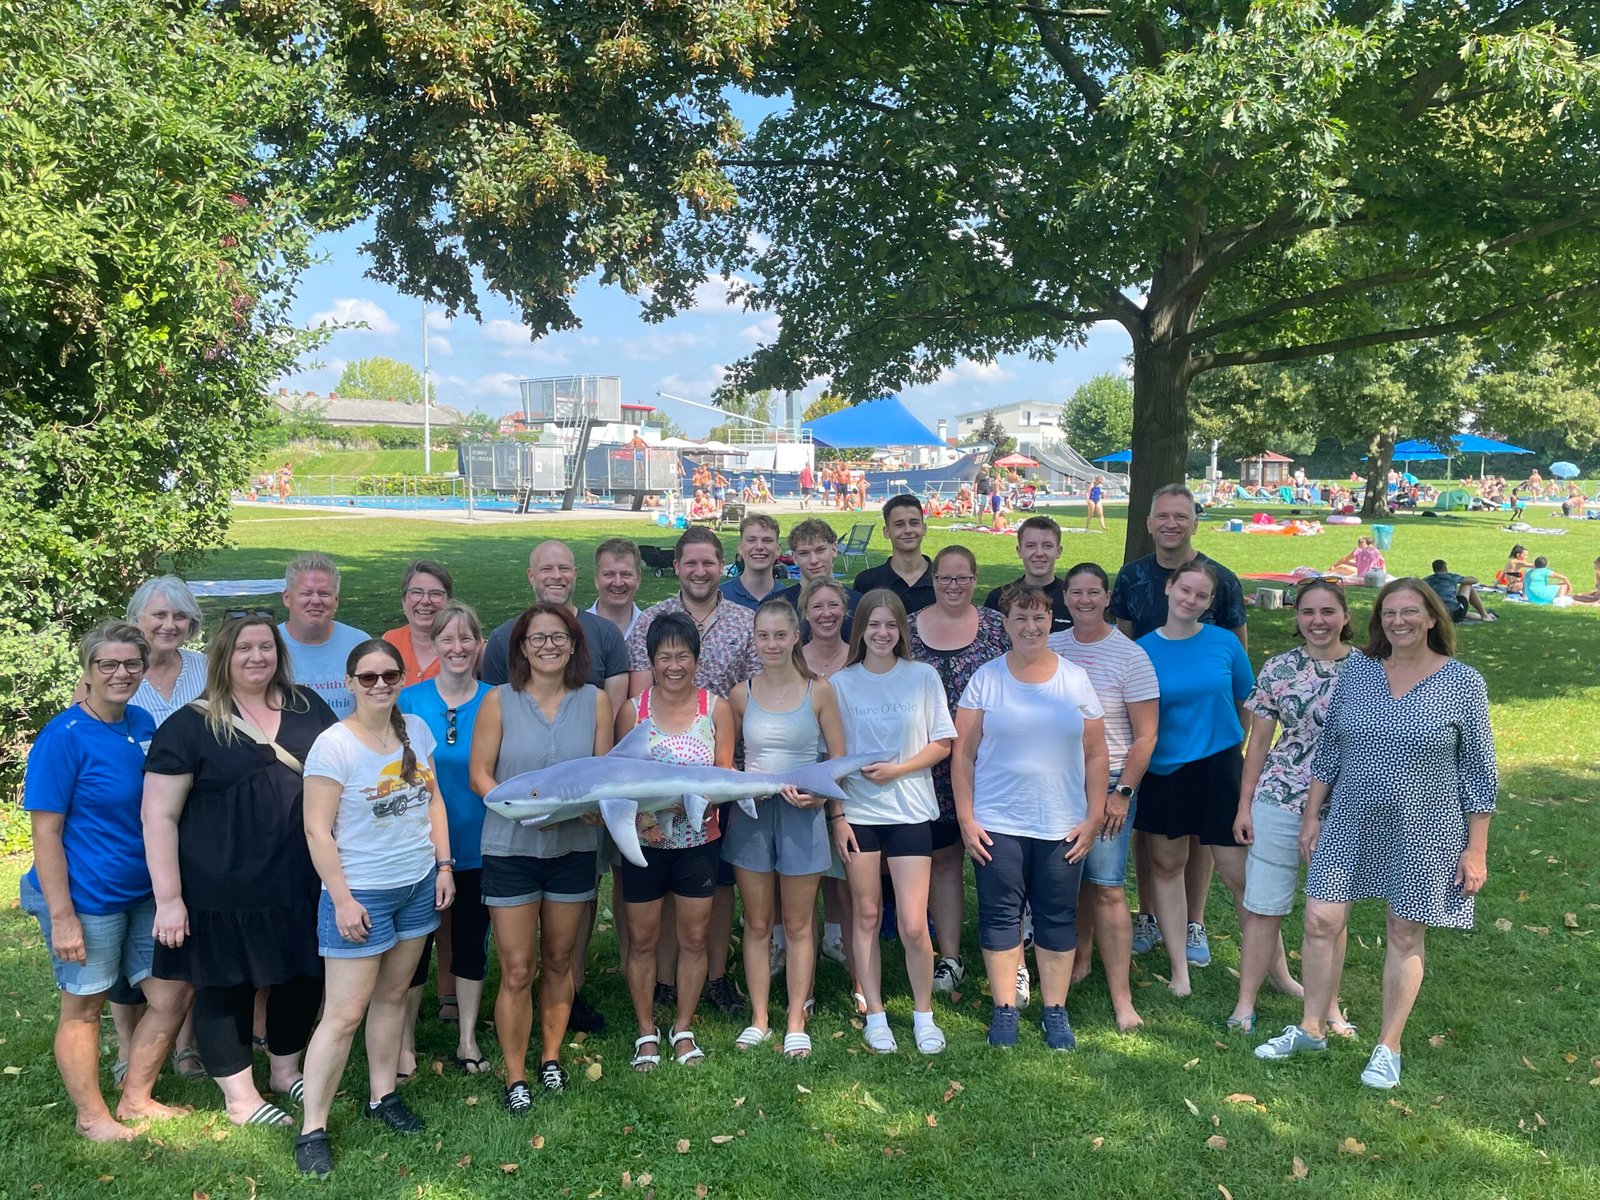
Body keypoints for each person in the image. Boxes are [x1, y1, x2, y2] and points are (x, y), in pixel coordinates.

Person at [1256, 580, 1497, 1090]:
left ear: (1431, 618)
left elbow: (1479, 773)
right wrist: (1312, 816)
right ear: (1378, 621)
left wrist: (1475, 850)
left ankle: (1389, 1046)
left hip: (1426, 825)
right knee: (1320, 918)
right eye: (1389, 613)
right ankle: (1311, 1027)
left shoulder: (1463, 683)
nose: (1398, 621)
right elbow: (1330, 749)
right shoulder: (1360, 672)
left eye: (1409, 612)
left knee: (1404, 931)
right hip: (1349, 816)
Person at [144, 613, 338, 1129]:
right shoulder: (189, 725)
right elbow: (158, 816)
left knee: (302, 974)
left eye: (266, 647)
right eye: (244, 648)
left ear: (279, 653)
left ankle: (285, 1071)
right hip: (219, 886)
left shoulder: (306, 706)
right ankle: (240, 1098)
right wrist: (169, 899)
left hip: (299, 877)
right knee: (224, 985)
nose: (257, 657)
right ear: (223, 657)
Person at [21, 622, 192, 1142]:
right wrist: (63, 917)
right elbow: (46, 833)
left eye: (131, 664)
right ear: (88, 670)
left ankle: (136, 1098)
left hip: (143, 890)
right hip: (87, 898)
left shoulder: (141, 721)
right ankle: (92, 1117)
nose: (121, 673)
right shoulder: (63, 737)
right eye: (108, 664)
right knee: (84, 1007)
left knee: (173, 992)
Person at [293, 640, 454, 1177]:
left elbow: (433, 800)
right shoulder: (334, 745)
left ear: (401, 679)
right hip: (362, 892)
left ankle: (382, 1096)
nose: (380, 685)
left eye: (389, 675)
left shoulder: (417, 731)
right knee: (342, 1015)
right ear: (350, 682)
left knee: (393, 997)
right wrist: (341, 899)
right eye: (368, 677)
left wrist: (444, 866)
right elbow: (316, 830)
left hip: (417, 884)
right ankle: (312, 1129)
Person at [469, 603, 611, 1111]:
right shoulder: (498, 701)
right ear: (521, 648)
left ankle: (550, 1058)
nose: (548, 646)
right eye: (537, 638)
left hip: (573, 849)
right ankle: (515, 1076)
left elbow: (602, 774)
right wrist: (525, 815)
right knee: (516, 967)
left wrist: (594, 808)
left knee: (559, 960)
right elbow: (480, 775)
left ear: (573, 646)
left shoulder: (595, 701)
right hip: (511, 848)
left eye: (558, 637)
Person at [954, 585, 1108, 1049]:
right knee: (1000, 914)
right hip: (997, 822)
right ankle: (1004, 1008)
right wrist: (966, 819)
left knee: (1057, 914)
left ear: (1050, 620)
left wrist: (1094, 817)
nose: (1030, 626)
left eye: (1039, 617)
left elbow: (1096, 753)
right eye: (1020, 617)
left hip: (1062, 822)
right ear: (1005, 624)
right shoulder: (987, 678)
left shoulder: (1075, 679)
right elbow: (963, 754)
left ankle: (1054, 1010)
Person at [1111, 484, 1248, 970]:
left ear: (1194, 522)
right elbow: (1122, 647)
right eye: (1163, 516)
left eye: (1181, 516)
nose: (1171, 524)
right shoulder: (1131, 577)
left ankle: (1195, 920)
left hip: (1209, 739)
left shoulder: (1221, 579)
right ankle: (1149, 916)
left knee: (1203, 836)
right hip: (1156, 737)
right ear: (1149, 523)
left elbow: (1236, 661)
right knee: (1156, 836)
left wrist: (1235, 740)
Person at [626, 527, 759, 1017]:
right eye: (691, 562)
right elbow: (639, 705)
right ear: (677, 566)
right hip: (654, 792)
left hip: (718, 772)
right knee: (658, 903)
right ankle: (663, 981)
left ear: (722, 565)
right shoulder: (652, 620)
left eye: (709, 562)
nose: (700, 571)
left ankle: (715, 977)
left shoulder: (745, 621)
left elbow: (755, 692)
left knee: (714, 892)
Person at [829, 590, 956, 1055]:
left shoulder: (922, 677)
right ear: (859, 629)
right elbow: (832, 757)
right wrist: (837, 815)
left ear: (902, 629)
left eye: (890, 625)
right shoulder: (840, 684)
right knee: (865, 914)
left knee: (913, 922)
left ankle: (924, 1015)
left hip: (909, 812)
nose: (882, 633)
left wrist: (899, 769)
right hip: (859, 814)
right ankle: (876, 1015)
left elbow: (942, 742)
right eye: (873, 624)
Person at [1227, 582, 1355, 1036]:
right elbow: (1259, 742)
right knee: (1264, 906)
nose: (1317, 621)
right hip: (1279, 796)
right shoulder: (1279, 668)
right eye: (1307, 612)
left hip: (1344, 804)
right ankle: (1245, 1003)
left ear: (1345, 616)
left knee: (1331, 914)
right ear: (1296, 617)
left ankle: (1330, 1006)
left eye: (1327, 611)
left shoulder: (1370, 670)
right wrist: (1245, 805)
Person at [726, 601, 849, 1057]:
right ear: (754, 639)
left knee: (798, 923)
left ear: (797, 636)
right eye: (763, 636)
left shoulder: (819, 691)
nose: (771, 644)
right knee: (758, 922)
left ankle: (797, 1019)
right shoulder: (741, 694)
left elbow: (838, 760)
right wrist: (745, 786)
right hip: (753, 816)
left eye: (780, 635)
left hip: (802, 813)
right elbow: (727, 761)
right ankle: (759, 1018)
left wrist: (821, 797)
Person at [616, 614, 737, 1070]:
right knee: (642, 941)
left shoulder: (715, 709)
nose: (673, 665)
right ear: (651, 660)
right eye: (664, 656)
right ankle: (646, 1031)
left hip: (699, 843)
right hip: (644, 845)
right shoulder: (633, 712)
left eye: (682, 655)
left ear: (696, 659)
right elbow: (619, 779)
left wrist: (699, 802)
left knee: (694, 938)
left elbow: (724, 776)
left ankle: (683, 1028)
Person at [1133, 559, 1254, 998]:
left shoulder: (1225, 642)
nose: (1191, 600)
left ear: (1209, 602)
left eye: (1202, 595)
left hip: (1219, 768)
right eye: (1185, 590)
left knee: (1239, 875)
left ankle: (1273, 970)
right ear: (1170, 587)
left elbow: (1247, 701)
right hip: (1164, 771)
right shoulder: (1142, 650)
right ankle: (1179, 970)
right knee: (1167, 866)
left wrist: (1233, 748)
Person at [1049, 563, 1158, 1032]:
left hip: (1111, 777)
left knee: (1108, 885)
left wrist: (1122, 793)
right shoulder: (1051, 647)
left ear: (1108, 597)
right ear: (1065, 597)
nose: (1085, 600)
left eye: (1094, 592)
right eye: (1076, 592)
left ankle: (1122, 997)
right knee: (1070, 880)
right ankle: (1080, 958)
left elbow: (1146, 735)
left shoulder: (1130, 655)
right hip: (1058, 779)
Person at [908, 546, 1011, 998]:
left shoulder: (997, 627)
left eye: (962, 578)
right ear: (933, 580)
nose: (954, 586)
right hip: (927, 762)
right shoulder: (908, 628)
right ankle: (950, 957)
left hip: (990, 762)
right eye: (945, 578)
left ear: (975, 578)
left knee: (1001, 857)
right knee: (944, 857)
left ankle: (1011, 954)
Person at [397, 602, 493, 1076]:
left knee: (472, 941)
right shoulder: (408, 701)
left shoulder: (498, 699)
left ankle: (467, 1038)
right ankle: (404, 1044)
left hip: (480, 841)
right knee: (414, 948)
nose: (457, 648)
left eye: (465, 638)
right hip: (420, 846)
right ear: (433, 645)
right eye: (447, 639)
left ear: (479, 644)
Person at [121, 576, 208, 1079]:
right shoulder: (119, 668)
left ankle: (186, 1044)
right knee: (130, 928)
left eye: (179, 616)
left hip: (197, 820)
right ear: (138, 619)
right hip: (128, 819)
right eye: (159, 615)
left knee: (185, 933)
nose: (170, 625)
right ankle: (126, 1046)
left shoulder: (205, 668)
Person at [799, 577, 864, 978]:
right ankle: (787, 943)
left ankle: (839, 939)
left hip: (849, 780)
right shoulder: (792, 658)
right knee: (801, 872)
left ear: (845, 610)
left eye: (833, 605)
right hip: (802, 777)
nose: (826, 614)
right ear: (805, 614)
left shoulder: (859, 657)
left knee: (845, 872)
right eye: (817, 607)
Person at [482, 540, 630, 715]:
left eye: (564, 568)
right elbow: (493, 712)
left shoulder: (607, 635)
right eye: (546, 569)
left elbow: (613, 717)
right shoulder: (502, 639)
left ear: (575, 574)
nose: (557, 575)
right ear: (531, 576)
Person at [278, 553, 371, 718]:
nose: (315, 600)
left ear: (336, 600)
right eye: (306, 593)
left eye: (324, 594)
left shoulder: (360, 644)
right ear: (287, 598)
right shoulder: (268, 645)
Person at [982, 514, 1073, 632]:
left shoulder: (1073, 599)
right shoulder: (998, 598)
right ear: (1019, 551)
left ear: (1058, 551)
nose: (1039, 553)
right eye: (1031, 546)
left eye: (1047, 546)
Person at [852, 494, 937, 614]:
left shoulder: (943, 580)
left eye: (914, 523)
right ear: (886, 532)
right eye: (899, 524)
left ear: (924, 528)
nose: (908, 530)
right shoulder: (866, 583)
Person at [784, 517, 862, 637]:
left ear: (834, 549)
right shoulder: (780, 606)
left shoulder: (860, 604)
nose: (813, 560)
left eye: (820, 550)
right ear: (794, 558)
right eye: (804, 553)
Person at [382, 560, 454, 685]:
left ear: (449, 601)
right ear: (403, 600)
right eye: (416, 592)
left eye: (435, 594)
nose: (425, 601)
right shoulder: (389, 642)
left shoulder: (471, 649)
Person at [721, 513, 790, 609]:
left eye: (767, 540)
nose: (759, 547)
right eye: (751, 540)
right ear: (740, 548)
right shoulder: (719, 597)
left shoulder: (790, 600)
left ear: (778, 549)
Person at [589, 537, 644, 640]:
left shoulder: (652, 628)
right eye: (609, 574)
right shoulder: (576, 628)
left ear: (638, 579)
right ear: (596, 579)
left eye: (626, 574)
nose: (618, 583)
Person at [1422, 560, 1494, 622]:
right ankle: (1484, 615)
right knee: (1467, 585)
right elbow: (1475, 580)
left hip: (1438, 615)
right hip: (1455, 614)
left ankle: (1485, 615)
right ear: (1445, 568)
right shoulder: (1451, 577)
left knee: (1455, 609)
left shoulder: (1427, 580)